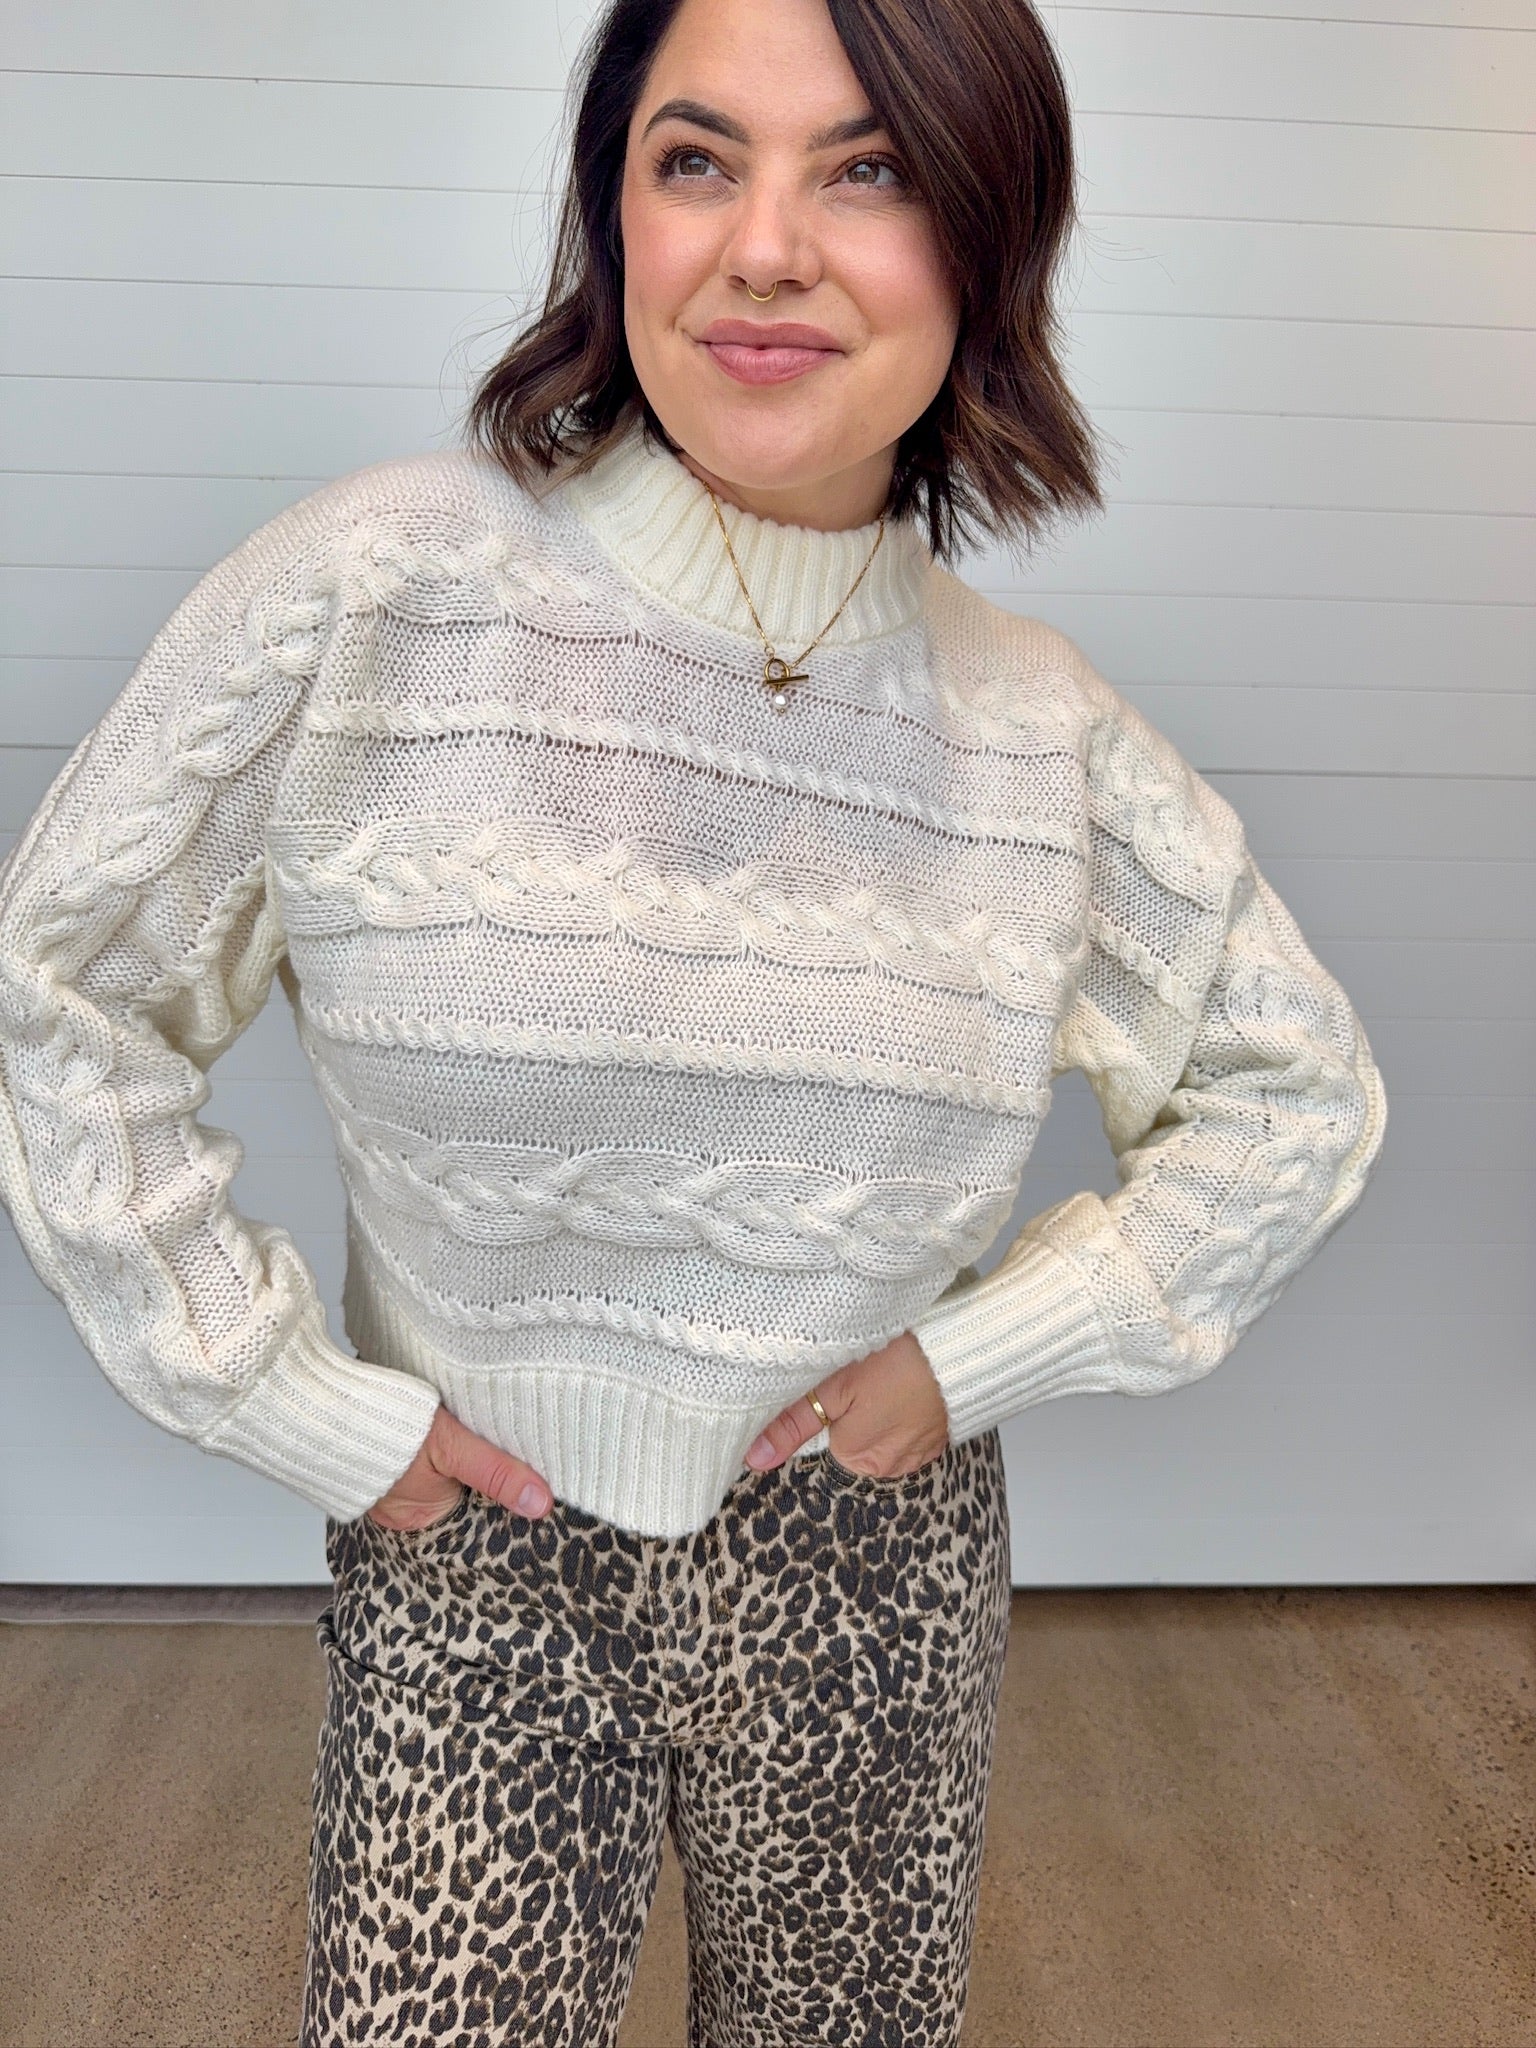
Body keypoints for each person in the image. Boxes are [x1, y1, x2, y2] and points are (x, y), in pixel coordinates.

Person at [0, 0, 1388, 2041]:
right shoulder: (380, 596)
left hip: (870, 1561)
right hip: (471, 1546)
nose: (765, 249)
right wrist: (296, 1403)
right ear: (614, 214)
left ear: (987, 234)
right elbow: (65, 989)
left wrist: (981, 1355)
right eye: (697, 159)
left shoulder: (1039, 736)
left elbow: (1298, 1093)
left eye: (868, 169)